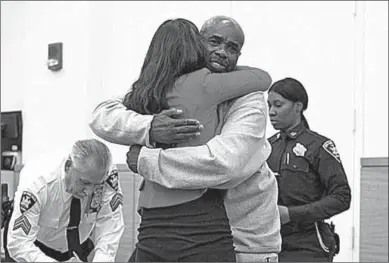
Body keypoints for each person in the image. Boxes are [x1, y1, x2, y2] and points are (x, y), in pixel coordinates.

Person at [90, 16, 281, 262]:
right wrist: (149, 126)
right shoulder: (166, 87)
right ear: (196, 44)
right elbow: (102, 115)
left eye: (232, 48)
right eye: (215, 42)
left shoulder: (249, 100)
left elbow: (225, 162)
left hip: (243, 239)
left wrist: (147, 159)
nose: (222, 52)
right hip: (170, 225)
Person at [266, 77, 352, 262]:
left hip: (308, 246)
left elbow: (342, 197)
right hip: (269, 244)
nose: (271, 112)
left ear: (298, 107)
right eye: (269, 105)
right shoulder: (266, 147)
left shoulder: (319, 146)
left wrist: (291, 215)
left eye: (278, 105)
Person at [3, 139, 125, 262]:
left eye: (96, 185)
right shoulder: (38, 184)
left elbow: (110, 228)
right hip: (34, 248)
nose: (89, 191)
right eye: (85, 182)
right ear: (68, 166)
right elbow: (19, 243)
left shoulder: (105, 176)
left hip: (75, 247)